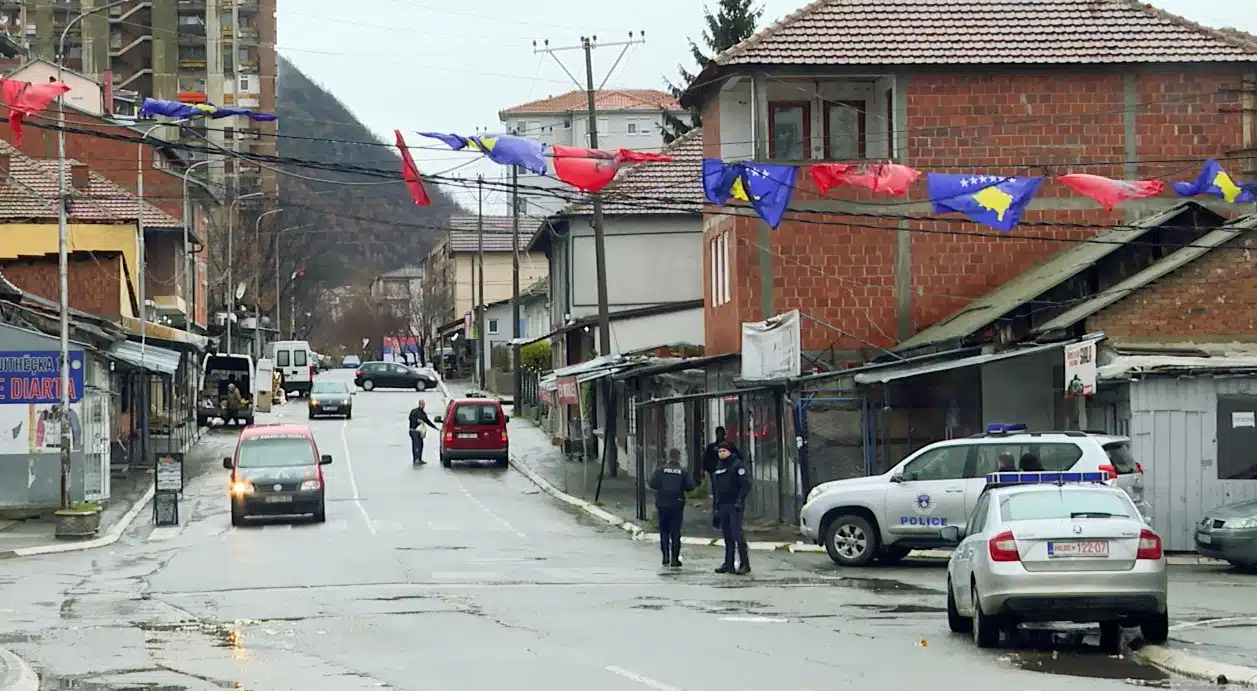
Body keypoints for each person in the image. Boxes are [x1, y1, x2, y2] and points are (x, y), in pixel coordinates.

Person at [648, 448, 696, 568]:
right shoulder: (683, 472)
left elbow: (652, 484)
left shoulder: (660, 470)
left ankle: (665, 557)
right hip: (677, 505)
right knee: (675, 532)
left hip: (662, 504)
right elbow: (690, 487)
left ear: (669, 457)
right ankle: (675, 559)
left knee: (664, 531)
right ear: (679, 457)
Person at [711, 442, 752, 574]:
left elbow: (745, 484)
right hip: (722, 505)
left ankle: (744, 564)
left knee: (737, 534)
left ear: (730, 451)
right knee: (727, 535)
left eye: (724, 451)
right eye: (719, 451)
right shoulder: (719, 466)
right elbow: (716, 489)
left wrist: (740, 501)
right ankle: (728, 563)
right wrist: (716, 508)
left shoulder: (737, 465)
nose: (721, 453)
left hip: (734, 504)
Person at [407, 399, 439, 464]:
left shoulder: (423, 413)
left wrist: (435, 427)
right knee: (416, 444)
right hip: (413, 431)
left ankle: (419, 458)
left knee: (421, 444)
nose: (423, 405)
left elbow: (427, 421)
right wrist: (417, 420)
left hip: (420, 431)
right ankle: (416, 459)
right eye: (422, 404)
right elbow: (410, 418)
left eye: (424, 404)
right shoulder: (414, 411)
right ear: (419, 404)